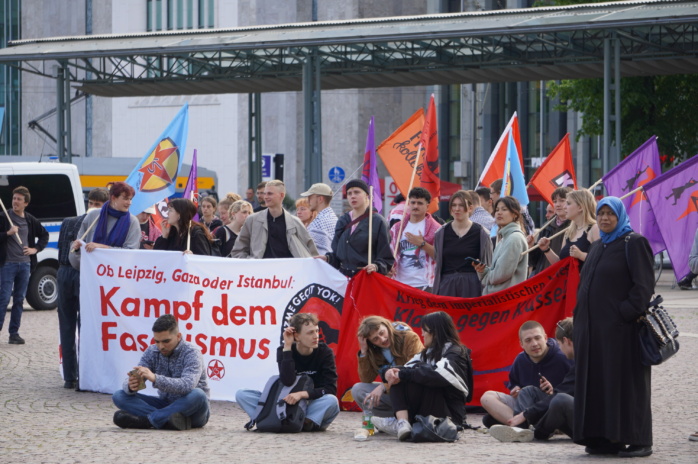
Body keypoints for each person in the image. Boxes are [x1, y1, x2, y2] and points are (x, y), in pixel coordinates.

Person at [573, 197, 655, 458]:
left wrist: (623, 314)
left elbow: (643, 287)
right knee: (599, 384)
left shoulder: (634, 243)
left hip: (622, 332)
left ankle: (638, 439)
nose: (605, 218)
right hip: (593, 333)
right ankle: (605, 438)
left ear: (620, 216)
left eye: (611, 214)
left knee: (627, 386)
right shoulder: (598, 246)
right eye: (601, 213)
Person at [372, 311, 473, 441]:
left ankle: (402, 422)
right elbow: (405, 368)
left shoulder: (456, 352)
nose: (422, 334)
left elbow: (437, 375)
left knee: (411, 373)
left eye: (424, 330)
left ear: (434, 332)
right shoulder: (428, 353)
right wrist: (387, 372)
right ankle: (402, 423)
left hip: (450, 415)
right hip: (430, 405)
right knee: (399, 374)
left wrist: (401, 374)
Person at [236, 313, 340, 431]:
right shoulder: (284, 350)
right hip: (286, 402)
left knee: (331, 401)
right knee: (242, 394)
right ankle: (270, 419)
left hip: (310, 402)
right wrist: (287, 347)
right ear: (297, 336)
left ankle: (302, 423)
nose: (316, 336)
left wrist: (301, 394)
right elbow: (287, 381)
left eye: (316, 331)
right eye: (310, 333)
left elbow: (330, 389)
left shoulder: (325, 352)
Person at [112, 314, 209, 430]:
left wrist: (155, 378)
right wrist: (131, 385)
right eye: (157, 341)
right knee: (119, 395)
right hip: (165, 405)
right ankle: (166, 420)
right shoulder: (152, 351)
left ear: (178, 336)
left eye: (166, 341)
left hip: (192, 410)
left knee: (198, 394)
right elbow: (136, 376)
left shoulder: (192, 352)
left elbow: (187, 385)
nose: (161, 346)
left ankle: (148, 421)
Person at [488, 317, 576, 443]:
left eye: (537, 338)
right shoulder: (520, 360)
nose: (534, 344)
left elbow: (565, 392)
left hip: (561, 409)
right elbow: (514, 383)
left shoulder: (566, 358)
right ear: (521, 344)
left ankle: (530, 430)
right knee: (491, 399)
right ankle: (519, 428)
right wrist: (515, 389)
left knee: (559, 399)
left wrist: (527, 413)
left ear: (545, 338)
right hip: (532, 404)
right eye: (528, 340)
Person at [56, 188, 108, 388]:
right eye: (93, 203)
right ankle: (81, 376)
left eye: (96, 204)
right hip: (80, 273)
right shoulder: (98, 225)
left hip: (64, 272)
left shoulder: (68, 221)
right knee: (83, 325)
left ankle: (71, 376)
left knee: (69, 325)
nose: (93, 207)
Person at [0, 186, 49, 345]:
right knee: (3, 298)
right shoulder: (4, 217)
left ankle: (14, 334)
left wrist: (35, 249)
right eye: (14, 198)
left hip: (25, 265)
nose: (15, 202)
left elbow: (44, 235)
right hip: (7, 264)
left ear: (25, 203)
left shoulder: (30, 219)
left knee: (19, 299)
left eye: (19, 199)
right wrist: (7, 233)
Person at [316, 179, 393, 277]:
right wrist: (328, 258)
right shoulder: (343, 220)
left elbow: (386, 258)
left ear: (367, 195)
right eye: (349, 193)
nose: (352, 196)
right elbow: (337, 255)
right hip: (344, 278)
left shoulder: (378, 221)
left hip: (366, 278)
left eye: (357, 192)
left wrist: (376, 266)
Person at [351, 316, 424, 418]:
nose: (382, 339)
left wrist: (384, 387)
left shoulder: (409, 338)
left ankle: (409, 418)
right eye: (375, 339)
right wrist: (364, 351)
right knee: (358, 389)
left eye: (382, 333)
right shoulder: (374, 350)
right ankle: (393, 419)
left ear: (387, 325)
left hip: (415, 391)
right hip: (395, 393)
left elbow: (415, 371)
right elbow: (366, 379)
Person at [232, 180, 318, 259]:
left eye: (270, 194)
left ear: (282, 195)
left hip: (288, 270)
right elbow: (238, 250)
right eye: (265, 193)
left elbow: (311, 250)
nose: (265, 197)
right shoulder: (252, 220)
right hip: (261, 270)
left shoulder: (295, 222)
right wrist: (251, 262)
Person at [433, 190, 492, 298]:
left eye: (461, 205)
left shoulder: (481, 233)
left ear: (470, 208)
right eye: (454, 205)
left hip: (472, 286)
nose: (457, 209)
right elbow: (438, 262)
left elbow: (488, 264)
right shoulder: (441, 233)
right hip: (447, 286)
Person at [71, 182, 141, 264]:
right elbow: (79, 249)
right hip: (92, 268)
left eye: (130, 199)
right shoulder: (93, 215)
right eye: (125, 199)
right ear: (113, 198)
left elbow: (131, 253)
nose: (129, 203)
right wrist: (77, 249)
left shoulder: (132, 221)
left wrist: (103, 247)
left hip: (116, 270)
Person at [389, 187, 441, 291]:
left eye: (420, 203)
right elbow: (389, 253)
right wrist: (389, 266)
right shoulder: (397, 228)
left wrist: (422, 244)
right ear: (408, 204)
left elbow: (440, 256)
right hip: (400, 284)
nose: (415, 206)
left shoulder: (436, 229)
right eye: (413, 202)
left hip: (425, 284)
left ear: (427, 206)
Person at [475, 196, 528, 294]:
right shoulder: (504, 238)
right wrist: (483, 270)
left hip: (505, 298)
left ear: (514, 214)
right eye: (497, 210)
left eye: (504, 209)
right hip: (498, 297)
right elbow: (497, 270)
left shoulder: (514, 238)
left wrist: (485, 277)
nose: (499, 213)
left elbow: (501, 274)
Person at [538, 189, 600, 269]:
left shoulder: (594, 228)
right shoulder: (569, 231)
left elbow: (601, 260)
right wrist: (547, 249)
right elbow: (561, 265)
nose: (564, 207)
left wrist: (581, 255)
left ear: (580, 207)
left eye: (568, 203)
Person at [529, 187, 572, 276]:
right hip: (544, 277)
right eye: (555, 201)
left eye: (562, 200)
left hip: (561, 277)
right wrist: (531, 247)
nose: (558, 205)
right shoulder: (546, 226)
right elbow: (536, 261)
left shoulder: (575, 226)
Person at [301, 183, 338, 256]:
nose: (307, 201)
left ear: (320, 199)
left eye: (310, 197)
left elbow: (310, 251)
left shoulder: (320, 222)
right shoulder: (333, 217)